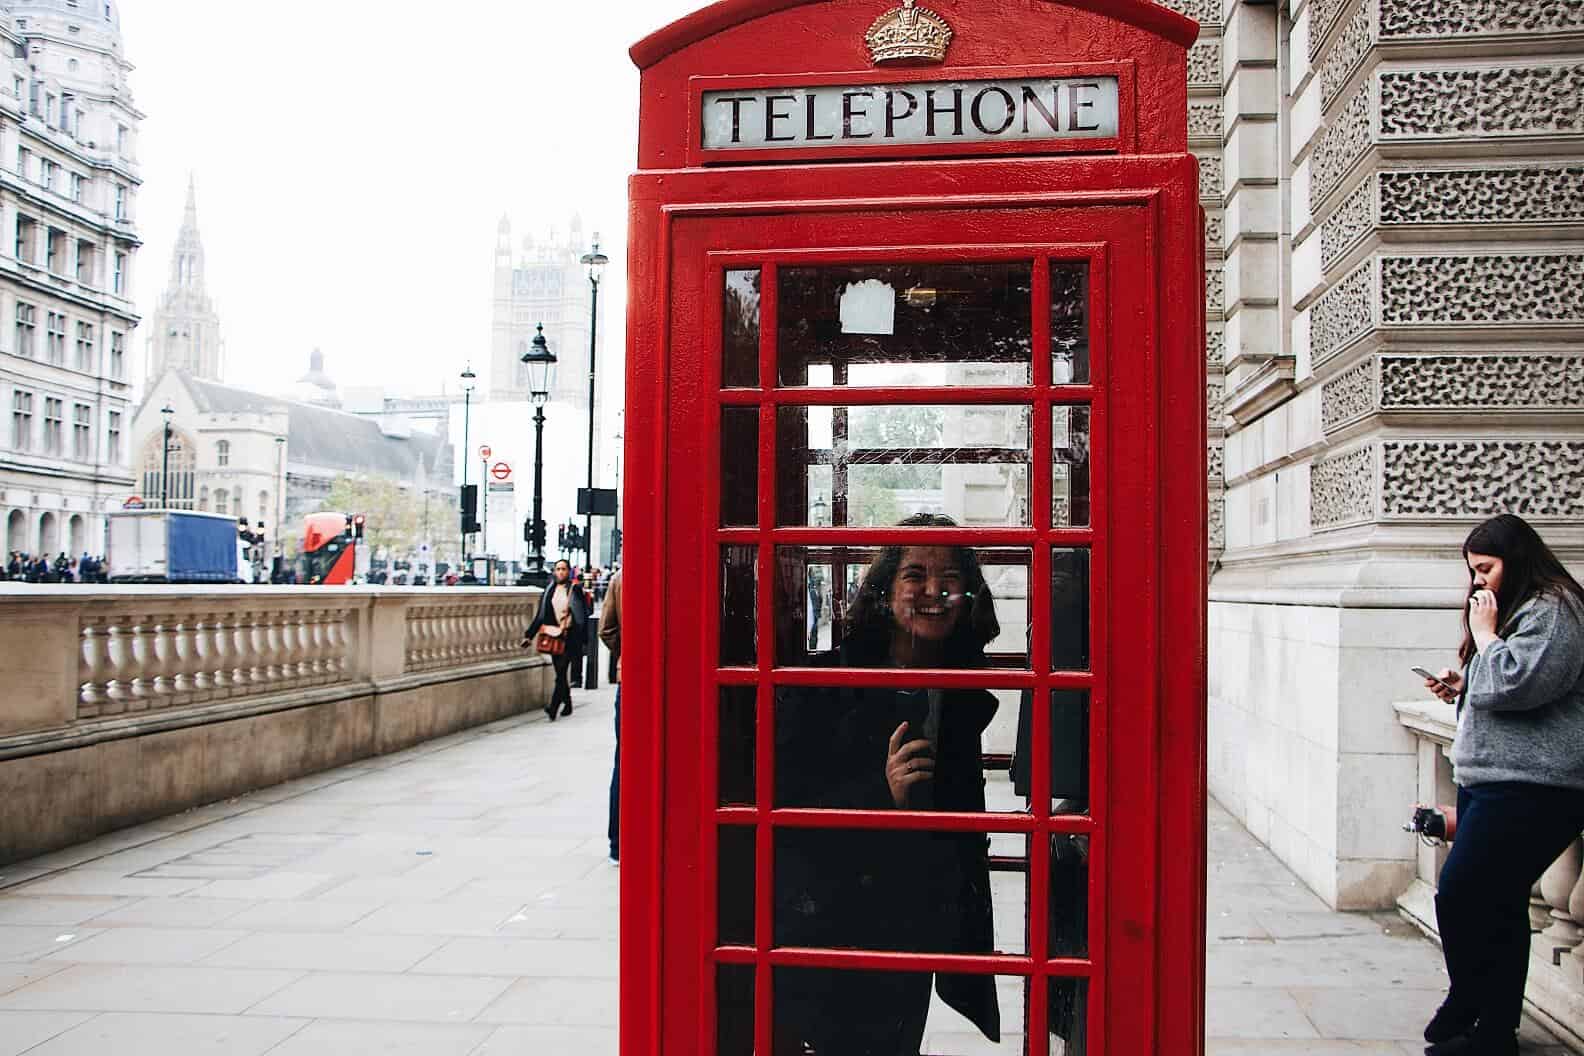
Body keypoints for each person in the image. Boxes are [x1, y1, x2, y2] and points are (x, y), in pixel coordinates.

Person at [772, 514, 1002, 1055]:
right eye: (914, 575)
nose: (932, 591)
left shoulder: (963, 689)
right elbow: (785, 810)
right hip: (835, 929)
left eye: (949, 578)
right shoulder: (826, 685)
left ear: (968, 595)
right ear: (884, 591)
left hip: (916, 923)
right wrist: (882, 797)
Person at [1420, 514, 1584, 1056]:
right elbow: (1499, 678)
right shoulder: (1525, 609)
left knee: (1463, 893)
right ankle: (1494, 1033)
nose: (1478, 583)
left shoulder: (1557, 609)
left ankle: (1468, 999)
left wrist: (1487, 637)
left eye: (1486, 569)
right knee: (1503, 906)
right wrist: (1464, 682)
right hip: (1494, 779)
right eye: (1472, 572)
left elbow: (1519, 682)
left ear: (1516, 560)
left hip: (1533, 785)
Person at [527, 558, 588, 721]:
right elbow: (541, 615)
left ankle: (553, 708)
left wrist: (584, 642)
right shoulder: (550, 590)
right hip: (554, 637)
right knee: (560, 673)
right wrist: (529, 635)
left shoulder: (574, 590)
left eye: (564, 569)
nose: (560, 572)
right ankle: (567, 704)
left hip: (569, 638)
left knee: (560, 673)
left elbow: (582, 617)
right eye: (558, 569)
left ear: (569, 572)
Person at [598, 567, 623, 863]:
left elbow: (606, 629)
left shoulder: (619, 578)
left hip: (627, 679)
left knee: (623, 761)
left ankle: (617, 843)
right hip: (666, 680)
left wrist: (630, 651)